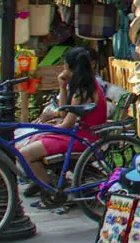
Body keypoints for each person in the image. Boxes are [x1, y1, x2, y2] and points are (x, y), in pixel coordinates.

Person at [20, 47, 108, 196]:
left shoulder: (83, 90)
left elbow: (66, 123)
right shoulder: (85, 84)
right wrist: (62, 86)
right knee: (26, 143)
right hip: (78, 134)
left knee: (24, 153)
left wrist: (45, 131)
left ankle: (51, 189)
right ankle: (44, 181)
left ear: (68, 66)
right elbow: (63, 113)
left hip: (81, 138)